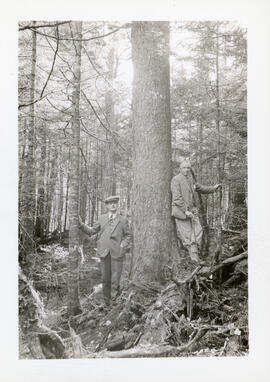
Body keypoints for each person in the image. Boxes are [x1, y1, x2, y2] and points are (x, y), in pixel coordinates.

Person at [78, 195, 131, 307]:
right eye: (110, 203)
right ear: (106, 206)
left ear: (117, 204)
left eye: (115, 203)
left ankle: (114, 302)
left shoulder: (123, 220)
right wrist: (81, 225)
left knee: (115, 280)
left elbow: (129, 236)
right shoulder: (102, 218)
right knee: (105, 278)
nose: (113, 205)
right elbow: (92, 231)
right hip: (104, 253)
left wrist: (122, 245)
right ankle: (106, 302)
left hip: (117, 253)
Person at [171, 158, 221, 264]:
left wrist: (213, 188)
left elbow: (200, 188)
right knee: (187, 235)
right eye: (184, 168)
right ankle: (194, 260)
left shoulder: (190, 180)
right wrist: (185, 211)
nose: (186, 170)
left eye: (188, 168)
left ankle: (194, 257)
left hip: (192, 211)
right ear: (180, 169)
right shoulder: (176, 180)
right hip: (181, 212)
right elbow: (177, 198)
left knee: (198, 231)